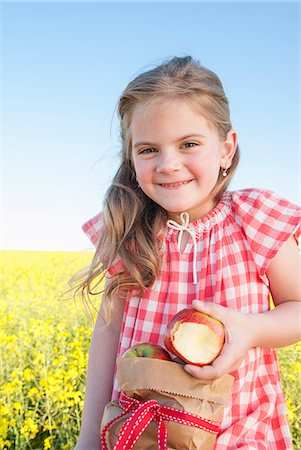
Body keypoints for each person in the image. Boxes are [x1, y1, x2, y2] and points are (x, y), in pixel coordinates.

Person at [74, 56, 301, 449]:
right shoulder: (129, 232)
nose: (168, 164)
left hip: (239, 432)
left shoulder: (254, 218)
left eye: (189, 144)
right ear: (131, 157)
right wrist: (88, 438)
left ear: (226, 148)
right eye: (148, 150)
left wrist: (252, 331)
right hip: (142, 433)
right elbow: (107, 338)